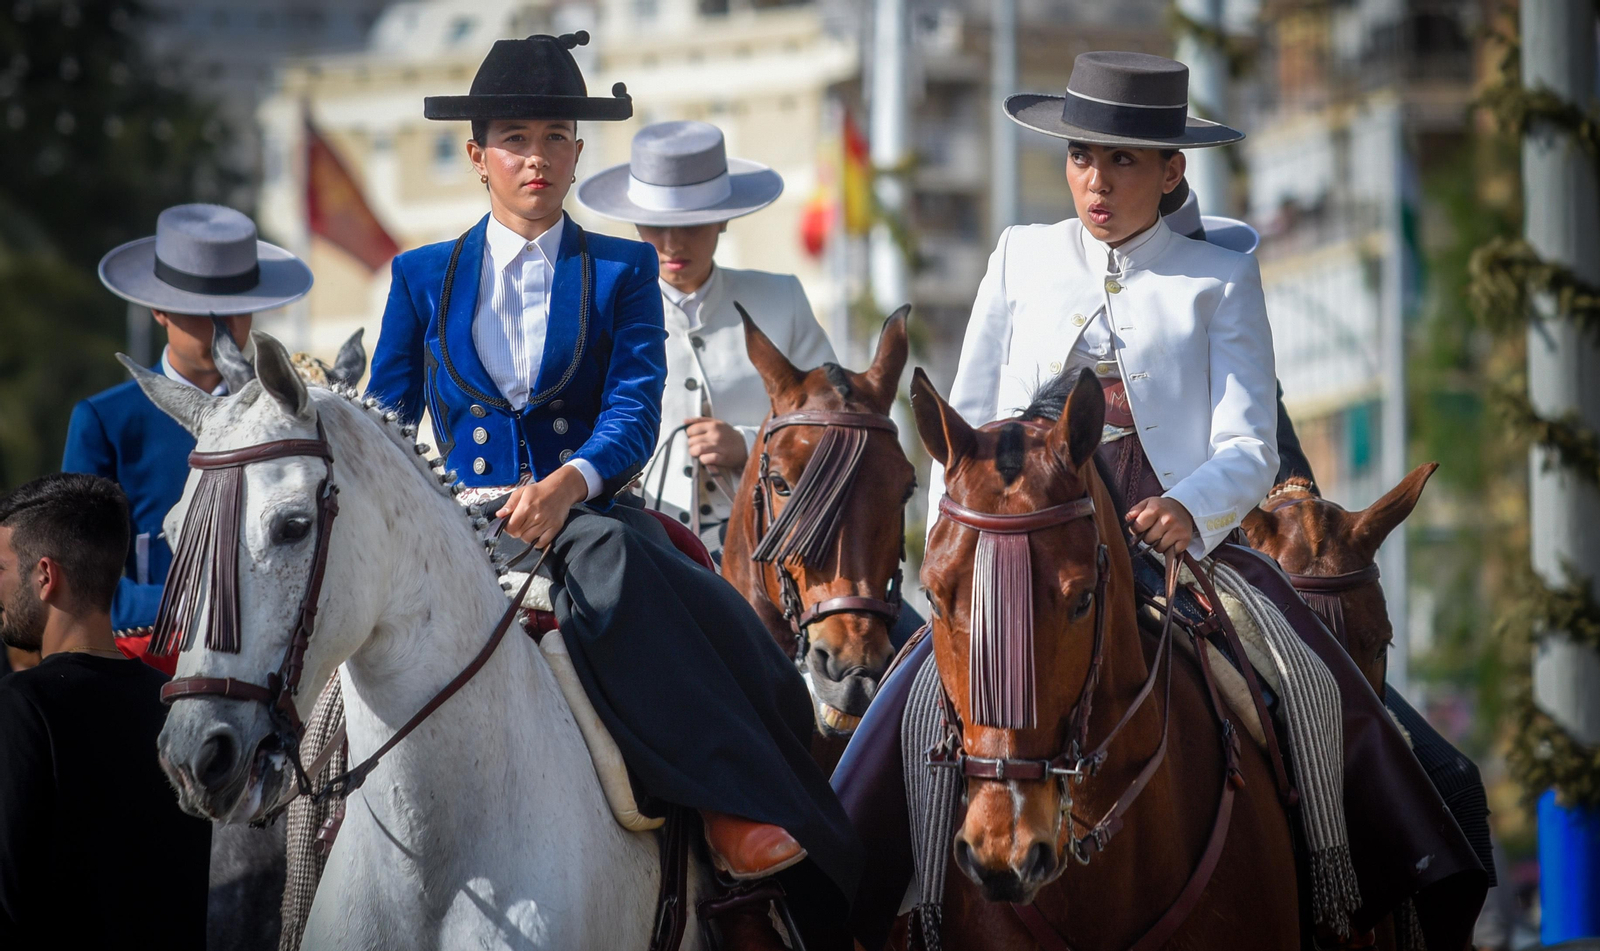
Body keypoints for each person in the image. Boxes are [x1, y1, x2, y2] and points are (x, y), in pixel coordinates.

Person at [833, 51, 1486, 950]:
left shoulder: (1220, 275)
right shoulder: (1020, 255)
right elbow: (970, 430)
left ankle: (1343, 889)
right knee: (903, 710)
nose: (1096, 181)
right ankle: (850, 901)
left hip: (1184, 545)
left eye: (1124, 160)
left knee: (1308, 688)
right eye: (1082, 156)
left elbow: (1252, 445)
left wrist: (1189, 507)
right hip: (1029, 545)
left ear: (1173, 169)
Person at [365, 32, 859, 947]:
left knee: (646, 578)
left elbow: (634, 408)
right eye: (515, 139)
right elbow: (383, 420)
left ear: (579, 153)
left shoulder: (623, 271)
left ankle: (726, 807)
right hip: (452, 524)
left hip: (582, 514)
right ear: (478, 157)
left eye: (556, 137)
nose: (537, 158)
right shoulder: (418, 276)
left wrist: (568, 483)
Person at [577, 119, 837, 557]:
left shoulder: (782, 299)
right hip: (641, 548)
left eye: (692, 225)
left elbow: (834, 427)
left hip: (771, 548)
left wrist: (752, 446)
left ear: (723, 221)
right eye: (655, 226)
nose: (672, 242)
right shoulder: (595, 314)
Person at [63, 204, 313, 632]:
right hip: (151, 663)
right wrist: (198, 602)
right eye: (204, 311)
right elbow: (81, 578)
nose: (226, 329)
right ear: (160, 310)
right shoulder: (106, 422)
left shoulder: (290, 414)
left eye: (240, 308)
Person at [0, 473, 211, 948]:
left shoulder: (23, 706)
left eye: (1, 569)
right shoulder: (175, 707)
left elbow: (10, 898)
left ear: (45, 576)